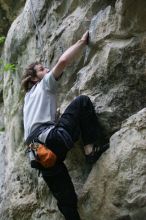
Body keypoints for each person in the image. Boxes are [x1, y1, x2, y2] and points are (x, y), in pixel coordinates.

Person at [21, 31, 109, 220]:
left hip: (37, 153)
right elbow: (62, 62)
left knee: (65, 198)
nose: (46, 70)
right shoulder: (44, 84)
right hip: (51, 139)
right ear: (36, 78)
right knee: (82, 102)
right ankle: (91, 150)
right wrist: (81, 42)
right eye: (42, 69)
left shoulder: (27, 100)